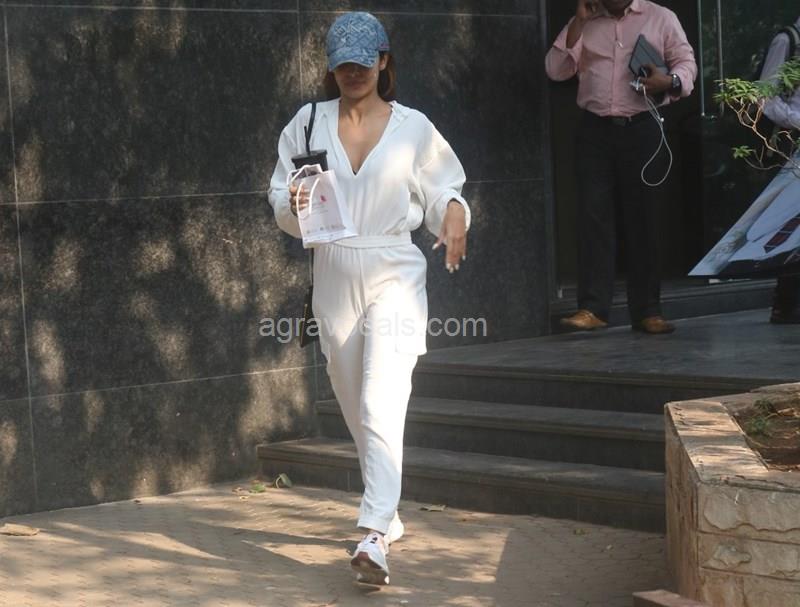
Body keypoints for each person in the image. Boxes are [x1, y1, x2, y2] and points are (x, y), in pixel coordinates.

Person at [268, 12, 470, 585]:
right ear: (332, 68)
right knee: (356, 402)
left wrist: (455, 212)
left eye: (364, 62)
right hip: (333, 269)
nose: (353, 73)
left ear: (384, 61)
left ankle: (374, 532)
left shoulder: (413, 127)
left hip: (394, 269)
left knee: (382, 397)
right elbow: (280, 195)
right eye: (343, 65)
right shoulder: (307, 122)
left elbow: (444, 188)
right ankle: (389, 509)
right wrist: (295, 206)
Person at [545, 0, 697, 334]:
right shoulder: (584, 21)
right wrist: (578, 23)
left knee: (644, 219)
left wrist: (669, 80)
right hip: (595, 129)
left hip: (642, 126)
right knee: (592, 216)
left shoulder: (661, 18)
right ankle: (592, 308)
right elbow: (556, 70)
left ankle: (648, 311)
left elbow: (686, 64)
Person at [760, 18, 800, 324]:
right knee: (790, 222)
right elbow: (765, 97)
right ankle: (786, 304)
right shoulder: (787, 40)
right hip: (792, 141)